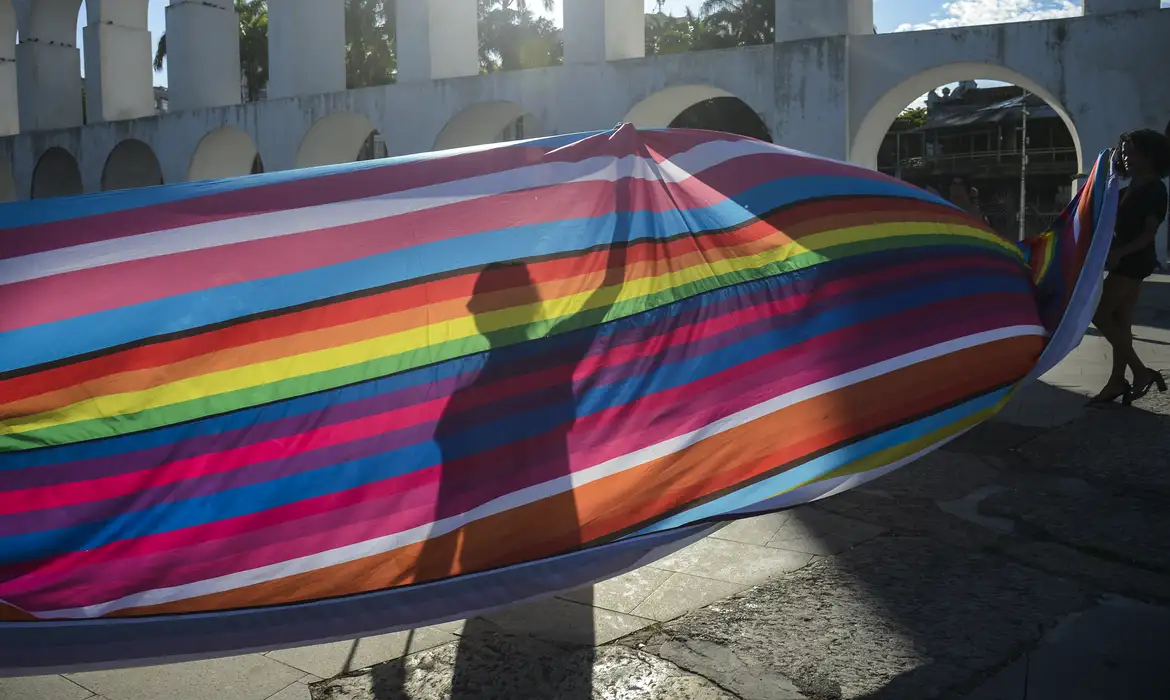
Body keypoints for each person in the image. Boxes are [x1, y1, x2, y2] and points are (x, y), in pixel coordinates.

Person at [1090, 129, 1170, 404]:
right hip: (1122, 258)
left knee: (1099, 313)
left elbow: (1149, 233)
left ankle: (1140, 372)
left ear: (1149, 155)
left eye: (1131, 150)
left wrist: (1120, 252)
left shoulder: (1155, 189)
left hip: (1134, 260)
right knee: (1121, 322)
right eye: (1122, 150)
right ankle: (1116, 381)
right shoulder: (1123, 188)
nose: (1124, 155)